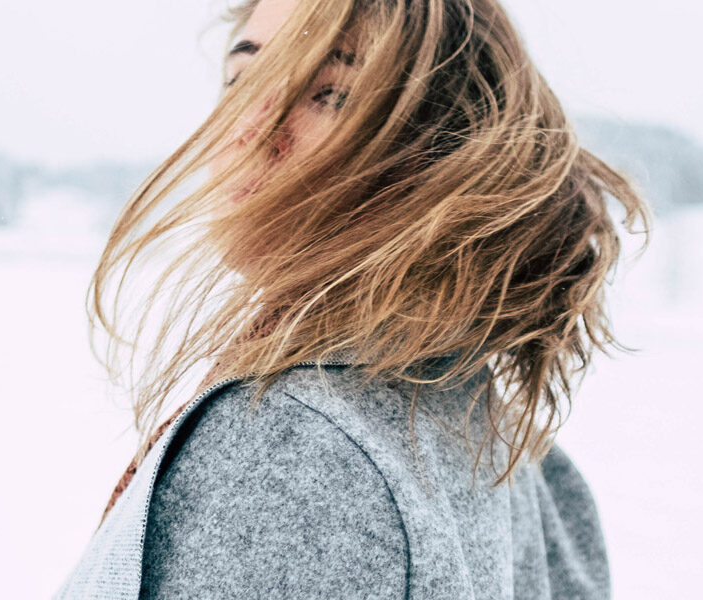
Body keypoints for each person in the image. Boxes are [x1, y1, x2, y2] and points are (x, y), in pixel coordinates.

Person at [54, 0, 651, 598]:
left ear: (446, 147)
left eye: (332, 94)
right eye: (242, 79)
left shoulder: (290, 450)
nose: (250, 128)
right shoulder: (517, 457)